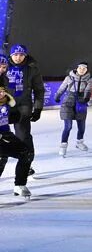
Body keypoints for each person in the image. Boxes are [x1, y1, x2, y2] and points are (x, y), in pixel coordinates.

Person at [5, 44, 43, 178]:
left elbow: (39, 90)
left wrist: (38, 108)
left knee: (23, 137)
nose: (18, 57)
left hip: (23, 107)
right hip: (4, 106)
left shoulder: (32, 69)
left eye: (21, 55)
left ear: (25, 56)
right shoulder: (3, 65)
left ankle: (26, 164)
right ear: (11, 55)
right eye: (15, 54)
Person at [0, 87, 34, 200]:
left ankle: (19, 185)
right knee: (1, 159)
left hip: (7, 135)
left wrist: (14, 106)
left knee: (26, 153)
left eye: (3, 91)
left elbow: (14, 119)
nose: (2, 93)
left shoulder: (6, 104)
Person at [54, 62, 92, 157]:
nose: (82, 70)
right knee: (68, 126)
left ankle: (79, 142)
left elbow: (88, 90)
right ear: (77, 68)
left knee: (81, 126)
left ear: (87, 70)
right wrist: (57, 96)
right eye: (80, 68)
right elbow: (62, 87)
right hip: (68, 102)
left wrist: (86, 98)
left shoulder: (89, 79)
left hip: (81, 102)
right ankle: (63, 146)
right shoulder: (69, 78)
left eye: (84, 68)